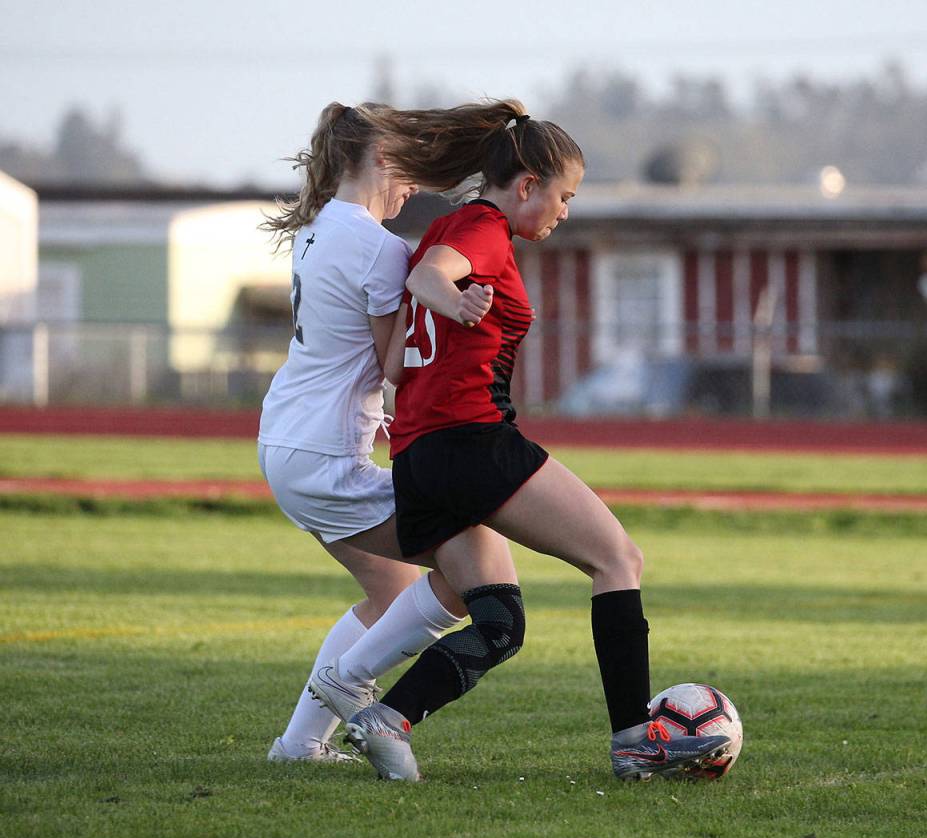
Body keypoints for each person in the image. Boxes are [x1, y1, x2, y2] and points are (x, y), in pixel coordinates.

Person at [330, 100, 731, 781]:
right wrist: (453, 300)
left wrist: (444, 312)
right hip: (471, 440)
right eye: (563, 196)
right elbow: (432, 282)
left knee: (500, 621)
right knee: (618, 558)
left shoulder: (437, 231)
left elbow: (396, 364)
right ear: (525, 187)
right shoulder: (483, 230)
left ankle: (387, 716)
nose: (564, 211)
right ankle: (634, 739)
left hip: (418, 457)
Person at [257, 101, 505, 763]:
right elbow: (392, 363)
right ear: (382, 160)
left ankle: (300, 743)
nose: (415, 187)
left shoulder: (317, 229)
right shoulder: (378, 248)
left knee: (391, 591)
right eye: (410, 172)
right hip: (321, 453)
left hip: (286, 438)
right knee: (470, 568)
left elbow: (354, 356)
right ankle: (351, 684)